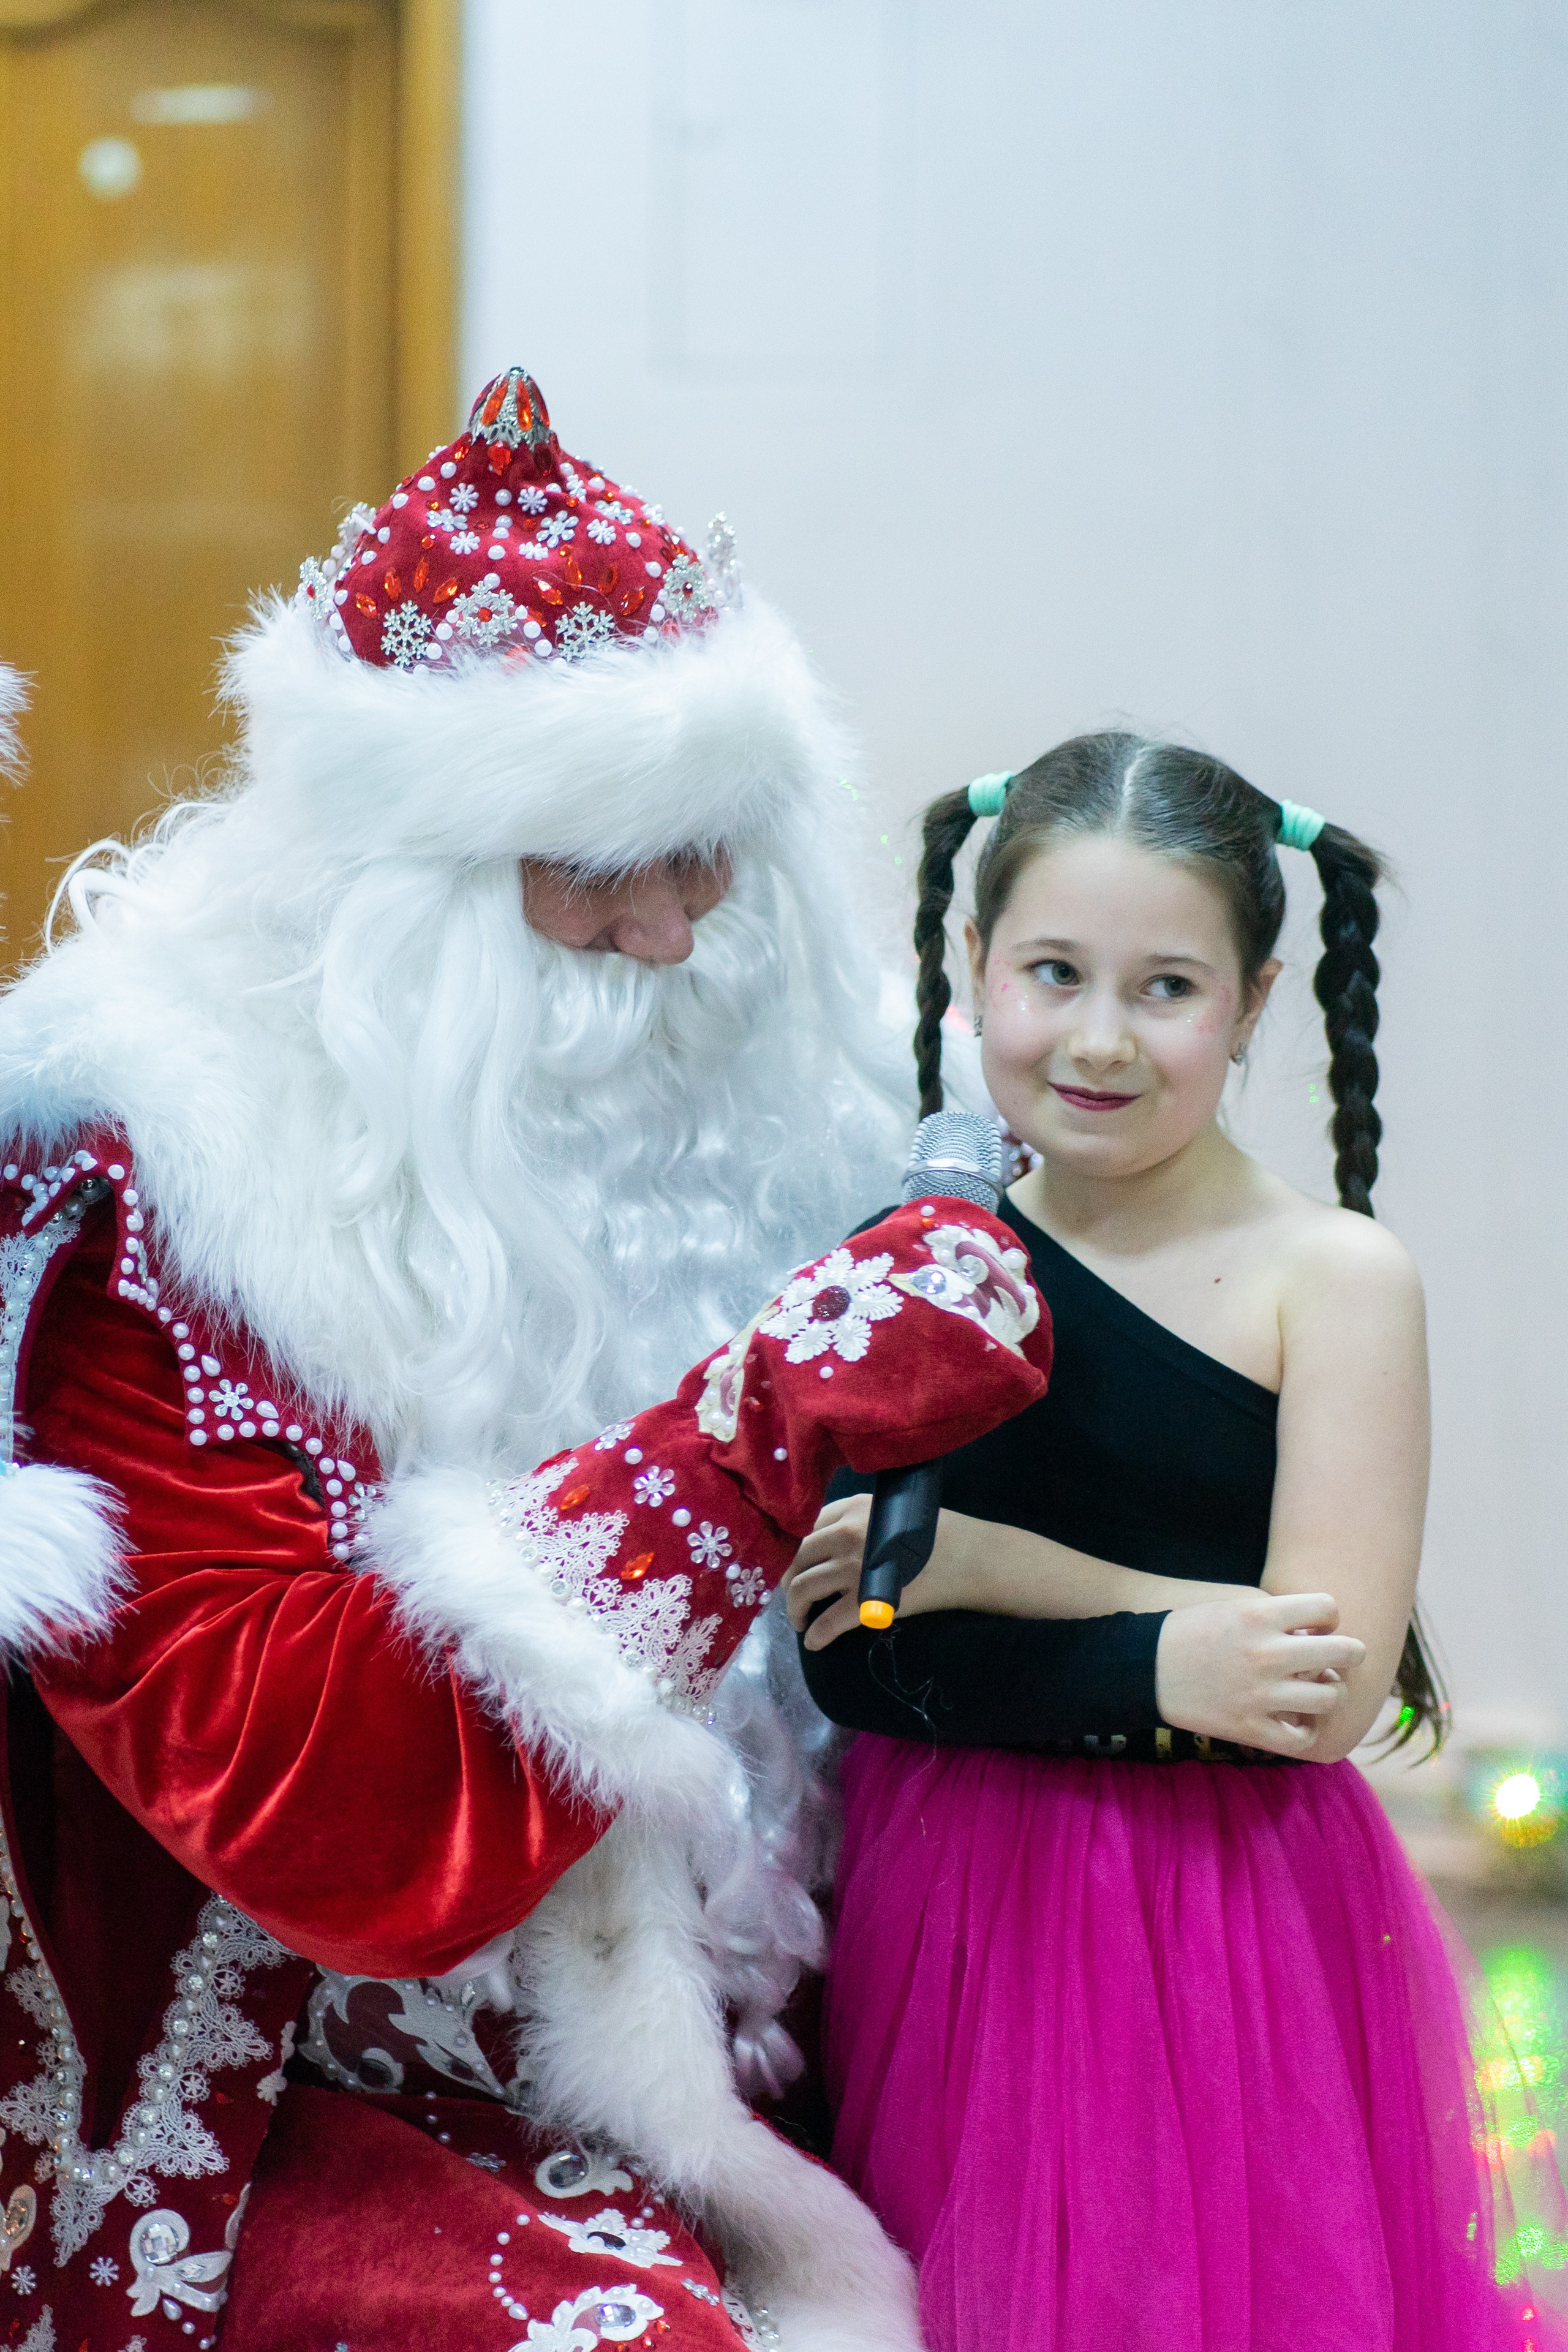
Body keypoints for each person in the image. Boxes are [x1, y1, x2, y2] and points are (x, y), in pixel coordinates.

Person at [0, 363, 1072, 2352]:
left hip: (793, 2031)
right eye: (600, 871)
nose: (678, 941)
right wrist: (746, 1430)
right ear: (396, 898)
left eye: (715, 857)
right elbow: (317, 1811)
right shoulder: (158, 1186)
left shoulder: (829, 1116)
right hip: (296, 2100)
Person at [785, 734, 1568, 2352]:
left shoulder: (1331, 1279)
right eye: (1053, 973)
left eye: (1165, 989)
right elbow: (860, 1654)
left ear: (1257, 1000)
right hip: (947, 1906)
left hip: (1224, 1925)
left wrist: (1016, 1581)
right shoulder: (916, 1252)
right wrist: (1175, 1654)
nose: (1097, 1039)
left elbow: (1315, 1691)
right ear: (975, 966)